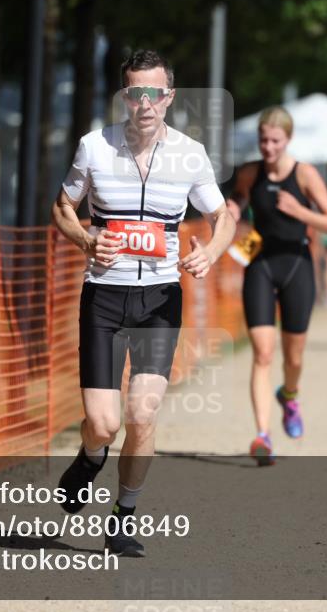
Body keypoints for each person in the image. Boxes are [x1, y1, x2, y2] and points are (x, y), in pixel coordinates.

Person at [51, 49, 235, 557]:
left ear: (169, 98)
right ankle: (90, 457)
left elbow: (225, 217)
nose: (145, 103)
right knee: (105, 424)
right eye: (136, 93)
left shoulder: (191, 154)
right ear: (125, 97)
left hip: (159, 298)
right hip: (104, 298)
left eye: (155, 93)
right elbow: (63, 206)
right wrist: (87, 240)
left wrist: (211, 254)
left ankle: (123, 517)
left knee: (143, 412)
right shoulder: (94, 147)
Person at [226, 106, 327, 465]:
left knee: (293, 356)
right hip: (259, 263)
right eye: (263, 140)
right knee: (262, 352)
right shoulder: (249, 172)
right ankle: (263, 435)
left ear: (287, 140)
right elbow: (238, 199)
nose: (268, 147)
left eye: (275, 140)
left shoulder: (304, 175)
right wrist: (232, 209)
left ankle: (289, 395)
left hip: (296, 266)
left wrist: (299, 211)